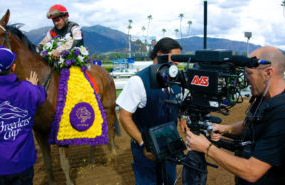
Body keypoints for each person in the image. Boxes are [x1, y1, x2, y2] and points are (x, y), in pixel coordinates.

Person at [185, 46, 285, 185]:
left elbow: (252, 171)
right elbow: (251, 125)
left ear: (268, 73)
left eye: (249, 73)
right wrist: (224, 129)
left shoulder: (281, 115)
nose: (246, 79)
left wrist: (206, 147)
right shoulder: (263, 97)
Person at [116, 37, 186, 185]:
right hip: (146, 149)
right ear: (160, 54)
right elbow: (124, 117)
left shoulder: (176, 78)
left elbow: (179, 103)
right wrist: (144, 143)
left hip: (169, 144)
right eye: (175, 57)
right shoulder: (138, 81)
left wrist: (183, 116)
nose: (178, 63)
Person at [0, 46, 47, 185]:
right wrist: (33, 85)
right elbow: (42, 94)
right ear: (13, 67)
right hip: (22, 165)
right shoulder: (28, 89)